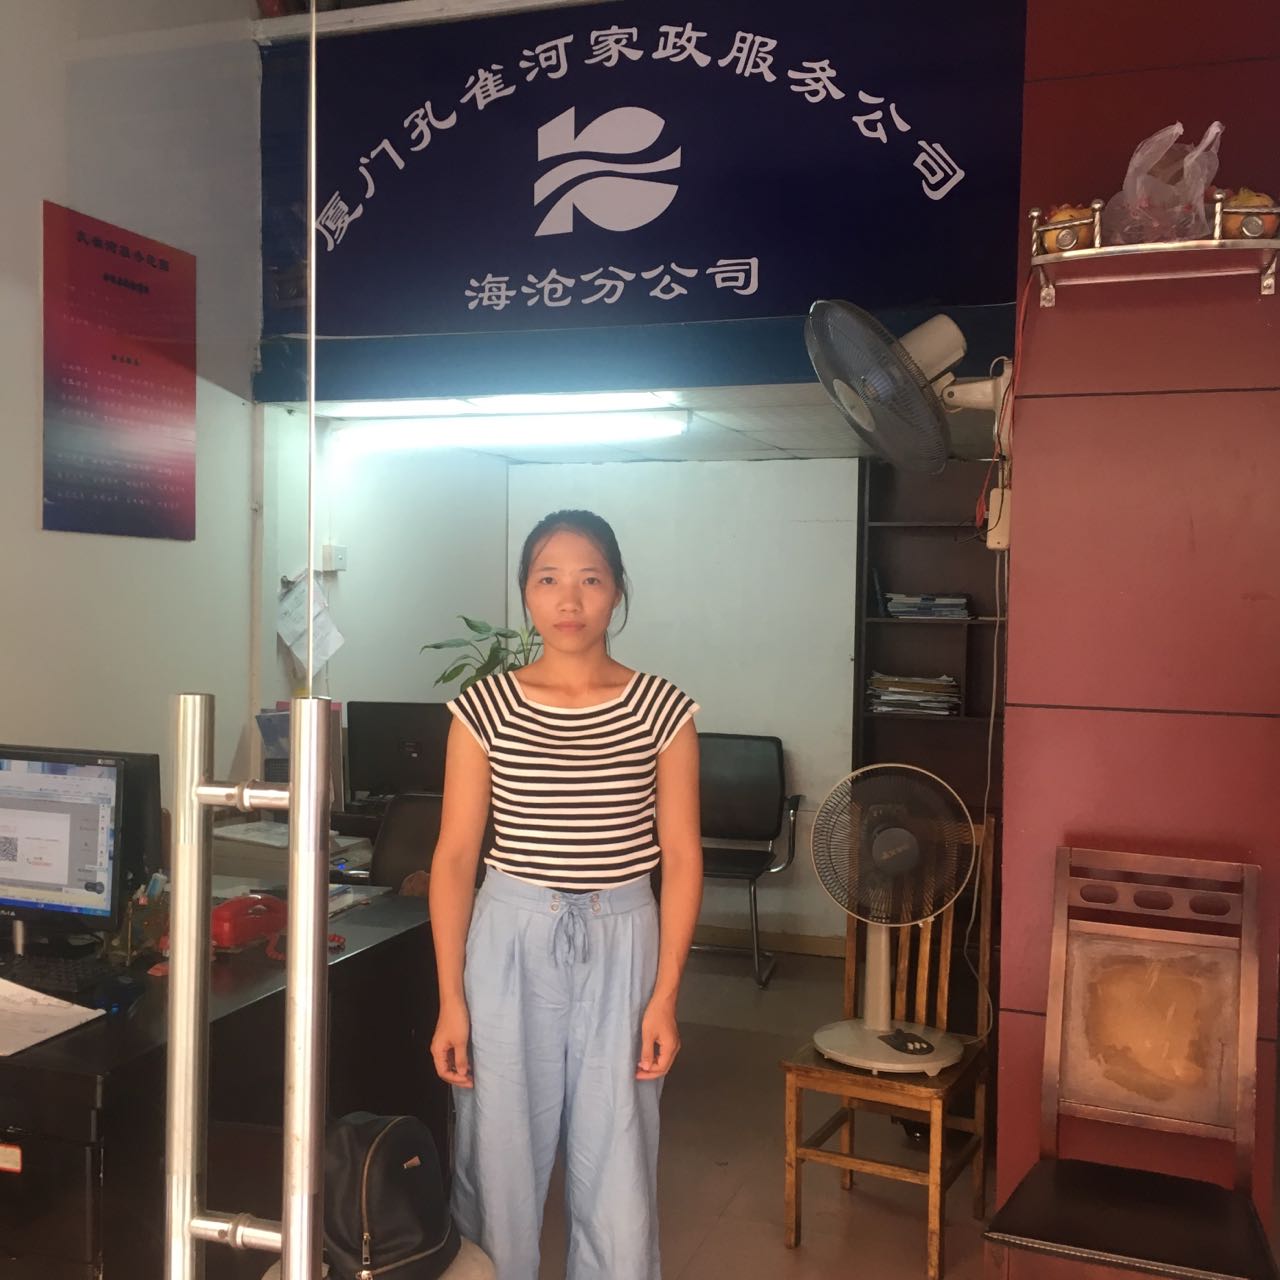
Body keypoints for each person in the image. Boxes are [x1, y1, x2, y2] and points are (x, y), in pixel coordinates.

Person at [428, 509, 702, 1280]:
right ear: (526, 593)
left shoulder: (663, 709)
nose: (569, 599)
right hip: (509, 937)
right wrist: (451, 1000)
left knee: (620, 1160)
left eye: (590, 579)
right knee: (498, 1157)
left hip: (624, 935)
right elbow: (454, 858)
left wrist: (665, 998)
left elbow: (683, 857)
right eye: (548, 579)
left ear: (617, 591)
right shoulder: (484, 708)